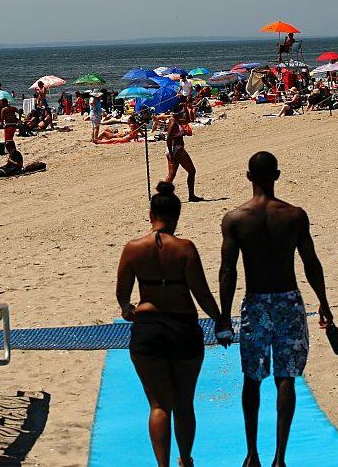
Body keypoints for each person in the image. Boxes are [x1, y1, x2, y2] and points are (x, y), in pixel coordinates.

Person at [217, 152, 334, 467]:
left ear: (248, 177)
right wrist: (323, 302)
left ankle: (252, 454)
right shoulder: (294, 216)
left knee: (252, 378)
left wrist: (223, 317)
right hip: (288, 301)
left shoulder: (235, 219)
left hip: (256, 303)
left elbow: (228, 271)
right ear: (277, 176)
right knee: (287, 377)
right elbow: (311, 262)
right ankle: (279, 459)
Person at [116, 181, 225, 467]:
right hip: (183, 329)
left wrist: (128, 310)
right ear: (176, 217)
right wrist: (221, 320)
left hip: (148, 330)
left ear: (150, 215)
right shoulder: (186, 248)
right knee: (184, 402)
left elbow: (122, 294)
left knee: (159, 404)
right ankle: (185, 460)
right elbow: (201, 293)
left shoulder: (133, 249)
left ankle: (162, 465)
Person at [164, 107, 203, 202]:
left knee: (171, 174)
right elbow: (168, 138)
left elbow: (189, 119)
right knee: (192, 171)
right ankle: (191, 196)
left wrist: (185, 108)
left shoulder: (177, 120)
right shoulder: (173, 123)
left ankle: (162, 197)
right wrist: (172, 153)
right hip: (177, 150)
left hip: (173, 150)